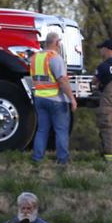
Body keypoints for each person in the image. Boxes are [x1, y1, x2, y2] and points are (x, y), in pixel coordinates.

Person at [29, 32, 78, 165]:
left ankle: (37, 158)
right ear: (56, 43)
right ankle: (62, 160)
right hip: (56, 100)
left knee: (42, 130)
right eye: (59, 43)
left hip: (39, 98)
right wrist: (72, 99)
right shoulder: (55, 58)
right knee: (61, 130)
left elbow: (41, 77)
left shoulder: (35, 57)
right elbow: (62, 81)